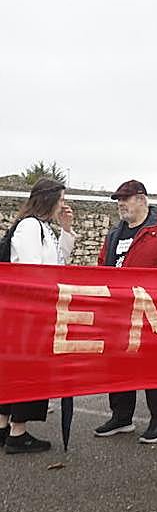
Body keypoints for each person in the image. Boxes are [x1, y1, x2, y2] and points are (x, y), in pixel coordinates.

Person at [94, 180, 157, 444]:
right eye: (118, 200)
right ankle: (121, 417)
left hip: (153, 312)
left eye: (125, 199)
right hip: (119, 311)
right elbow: (103, 263)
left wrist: (151, 280)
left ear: (142, 199)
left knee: (155, 365)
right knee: (118, 364)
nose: (120, 204)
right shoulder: (116, 233)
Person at [1, 178, 76, 454]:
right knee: (29, 371)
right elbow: (34, 271)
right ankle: (17, 432)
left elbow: (59, 262)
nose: (63, 205)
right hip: (30, 310)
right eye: (61, 199)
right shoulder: (31, 227)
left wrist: (66, 230)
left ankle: (4, 425)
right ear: (49, 200)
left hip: (27, 310)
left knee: (15, 368)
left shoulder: (41, 227)